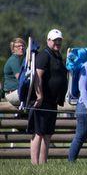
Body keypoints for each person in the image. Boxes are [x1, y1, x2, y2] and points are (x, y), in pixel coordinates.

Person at [28, 29, 68, 165]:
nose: (57, 43)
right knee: (38, 132)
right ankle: (35, 164)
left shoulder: (57, 55)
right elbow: (37, 76)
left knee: (48, 133)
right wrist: (39, 96)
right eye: (55, 40)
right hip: (42, 101)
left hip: (53, 101)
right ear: (48, 41)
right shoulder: (44, 56)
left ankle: (43, 163)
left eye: (59, 40)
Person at [3, 37, 26, 106]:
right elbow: (20, 78)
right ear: (13, 49)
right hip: (12, 94)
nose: (21, 48)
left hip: (15, 93)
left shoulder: (17, 60)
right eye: (18, 46)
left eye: (22, 46)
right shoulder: (14, 59)